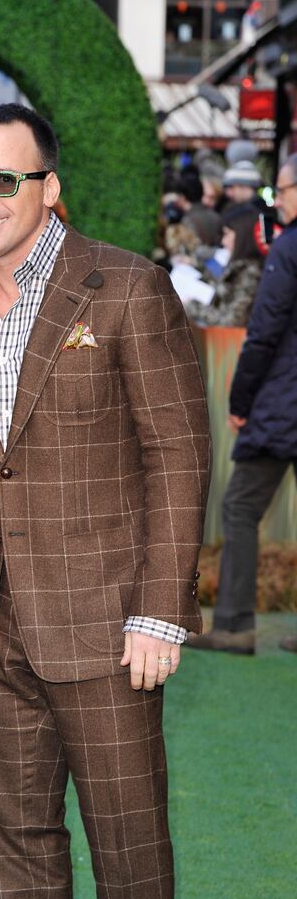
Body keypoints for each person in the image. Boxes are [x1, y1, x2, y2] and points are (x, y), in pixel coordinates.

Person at [0, 103, 210, 899]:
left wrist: (159, 610)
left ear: (47, 188)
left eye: (2, 180)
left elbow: (178, 458)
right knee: (11, 829)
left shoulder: (127, 287)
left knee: (125, 835)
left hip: (106, 622)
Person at [185, 153, 297, 656]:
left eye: (282, 189)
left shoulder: (288, 249)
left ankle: (233, 624)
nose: (277, 200)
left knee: (240, 506)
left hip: (284, 401)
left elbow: (265, 329)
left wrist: (241, 397)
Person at [185, 205, 263, 329]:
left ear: (242, 235)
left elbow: (231, 322)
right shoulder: (242, 267)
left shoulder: (250, 272)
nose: (223, 241)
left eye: (227, 234)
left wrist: (192, 306)